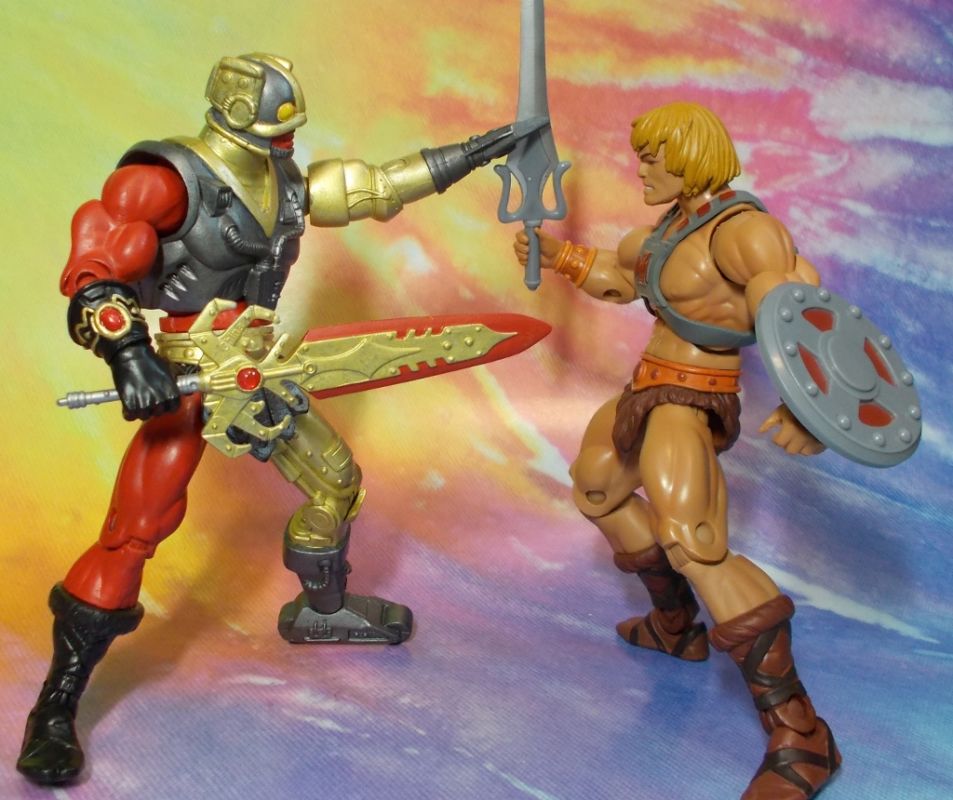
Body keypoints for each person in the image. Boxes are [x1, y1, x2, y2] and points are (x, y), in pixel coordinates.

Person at [19, 52, 529, 786]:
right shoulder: (165, 179)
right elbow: (95, 270)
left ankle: (324, 610)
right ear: (232, 115)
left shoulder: (283, 179)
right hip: (190, 378)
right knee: (134, 532)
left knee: (335, 483)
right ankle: (56, 705)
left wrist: (477, 151)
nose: (285, 139)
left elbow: (376, 187)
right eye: (272, 127)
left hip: (263, 370)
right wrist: (130, 354)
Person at [514, 101, 840, 800]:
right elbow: (619, 274)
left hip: (691, 400)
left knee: (695, 543)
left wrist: (812, 403)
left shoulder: (743, 232)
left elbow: (798, 304)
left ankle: (802, 733)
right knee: (596, 488)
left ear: (690, 155)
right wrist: (558, 256)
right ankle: (674, 627)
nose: (640, 169)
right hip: (646, 386)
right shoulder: (667, 229)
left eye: (652, 157)